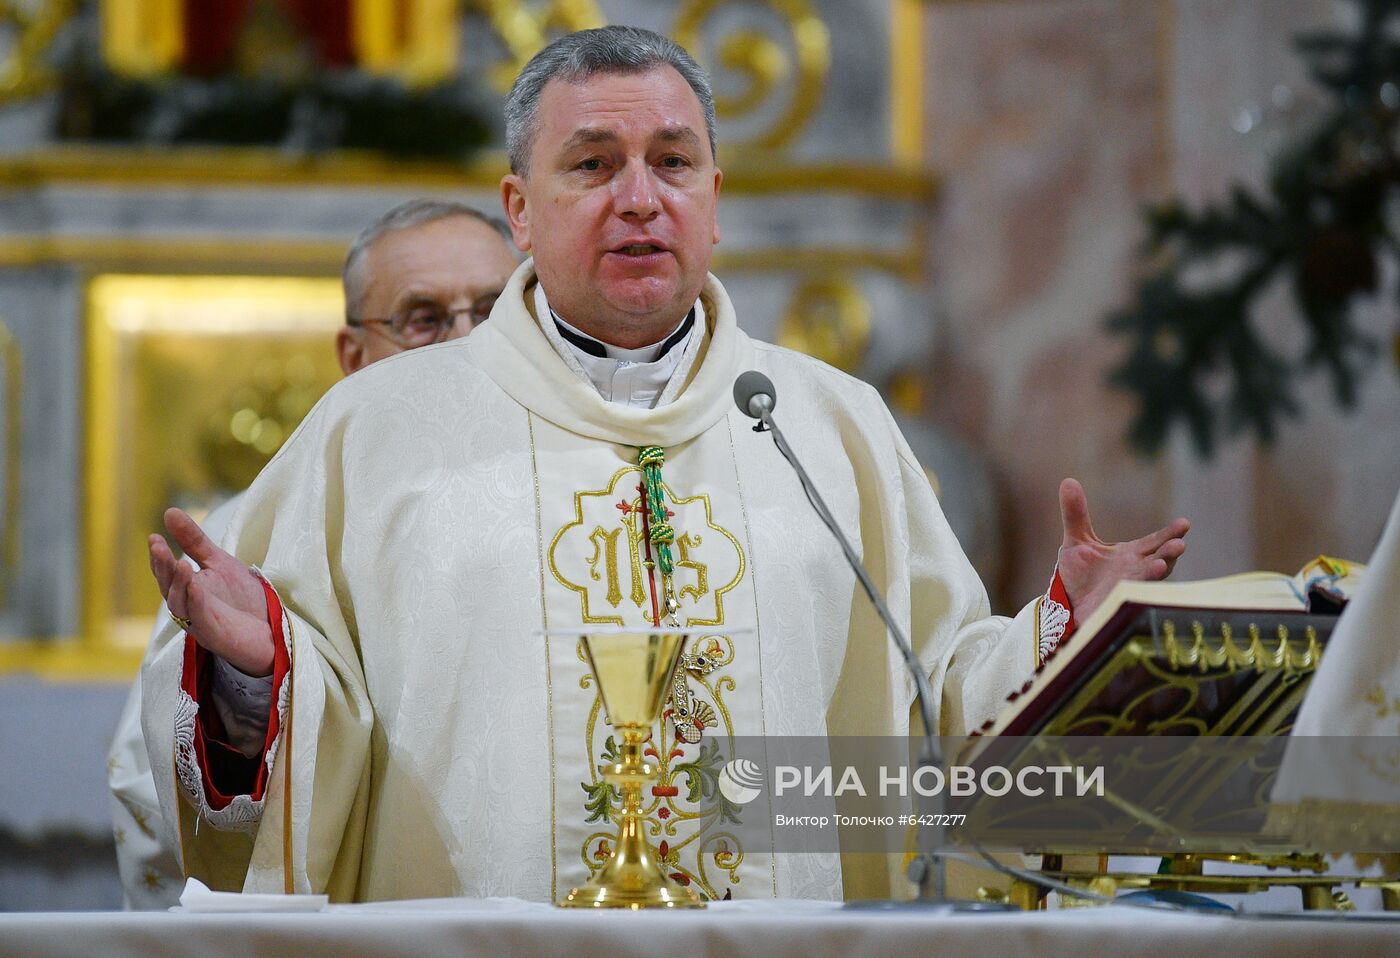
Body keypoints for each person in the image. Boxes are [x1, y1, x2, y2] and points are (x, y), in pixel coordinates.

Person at [140, 27, 1189, 903]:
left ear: (713, 198)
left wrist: (1062, 635)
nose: (638, 197)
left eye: (672, 162)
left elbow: (928, 704)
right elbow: (285, 744)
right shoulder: (374, 430)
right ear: (518, 209)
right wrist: (250, 676)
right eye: (592, 164)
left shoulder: (830, 426)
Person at [107, 199, 520, 908]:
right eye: (424, 318)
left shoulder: (597, 501)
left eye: (493, 312)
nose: (465, 342)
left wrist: (774, 892)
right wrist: (247, 687)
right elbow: (168, 795)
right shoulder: (263, 531)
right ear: (352, 355)